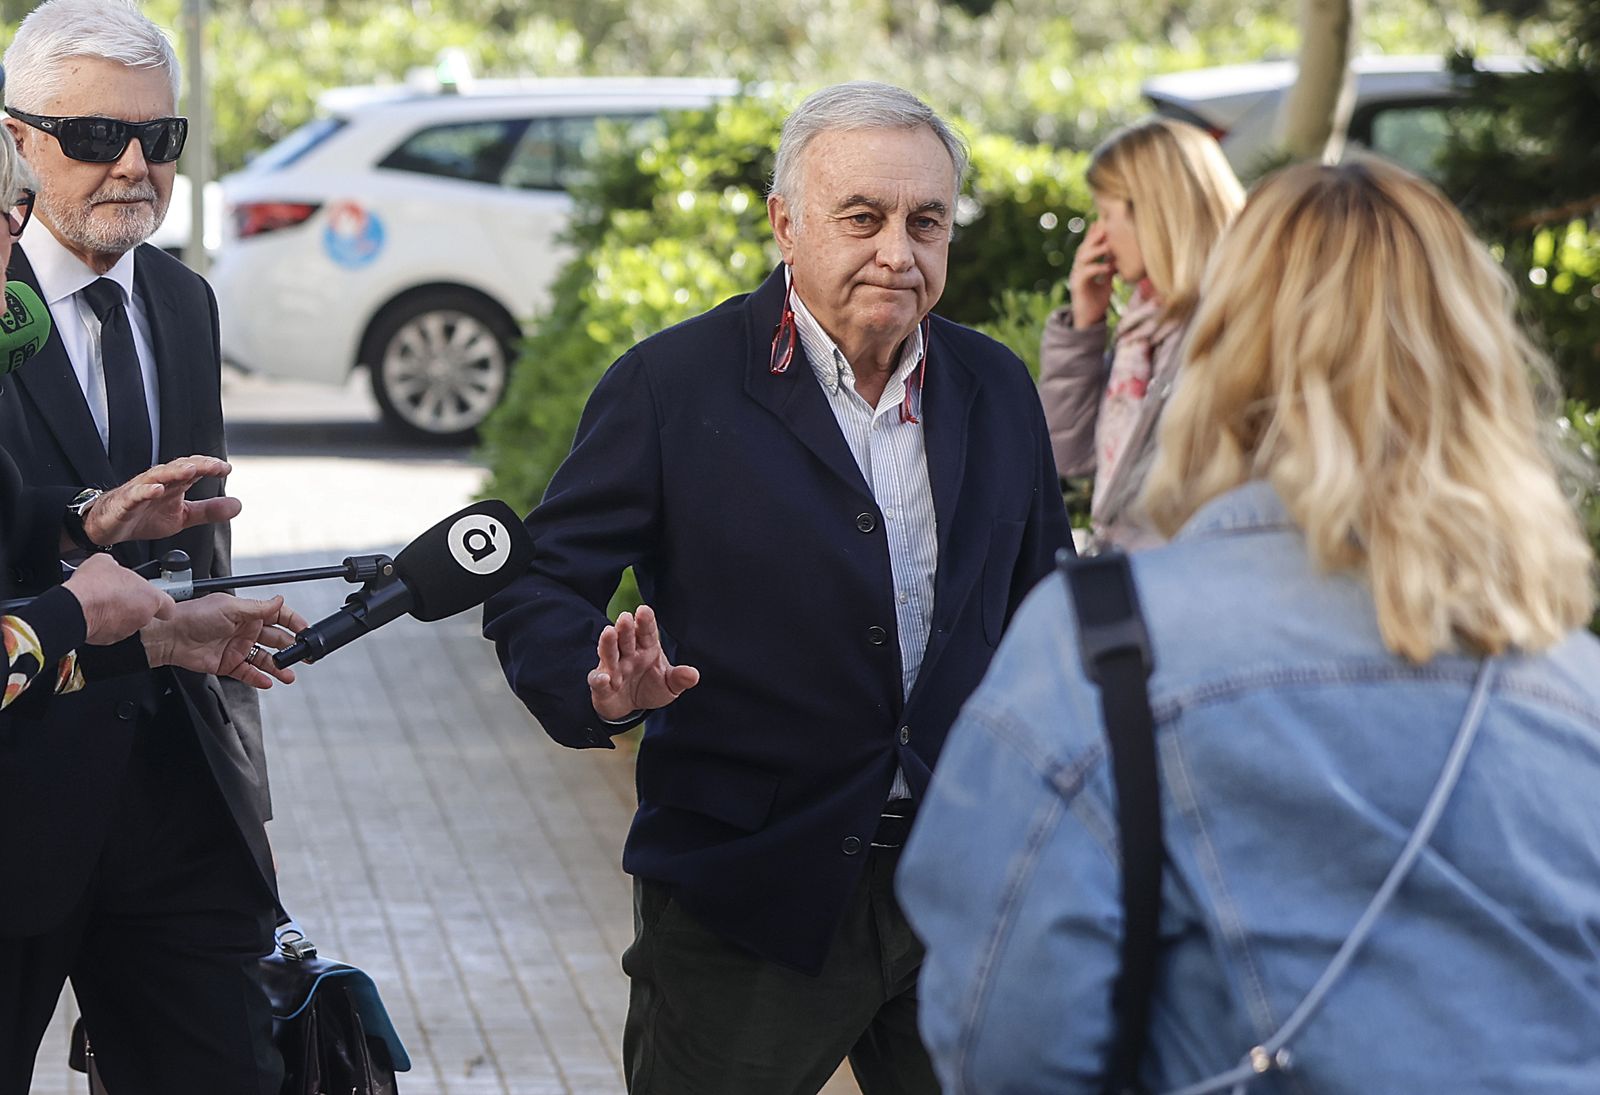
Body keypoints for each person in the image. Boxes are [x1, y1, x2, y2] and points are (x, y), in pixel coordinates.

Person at [898, 158, 1600, 1092]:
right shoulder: (1575, 680)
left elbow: (1000, 1041)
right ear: (1482, 366)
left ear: (1227, 346)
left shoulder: (1104, 651)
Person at [485, 81, 1072, 1094]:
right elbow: (537, 582)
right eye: (863, 218)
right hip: (747, 892)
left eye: (925, 221)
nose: (897, 249)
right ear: (785, 225)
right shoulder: (672, 386)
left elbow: (1045, 612)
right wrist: (595, 686)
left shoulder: (994, 387)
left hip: (961, 884)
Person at [0, 3, 290, 1090]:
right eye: (93, 138)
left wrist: (243, 783)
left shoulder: (182, 301)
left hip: (178, 805)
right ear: (18, 139)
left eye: (157, 140)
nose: (132, 165)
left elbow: (192, 553)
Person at [1037, 117, 1243, 551]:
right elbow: (1068, 452)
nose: (1099, 235)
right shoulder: (1147, 325)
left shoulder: (1226, 328)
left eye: (1106, 214)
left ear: (1154, 215)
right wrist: (1084, 326)